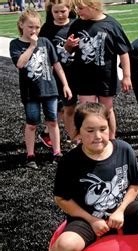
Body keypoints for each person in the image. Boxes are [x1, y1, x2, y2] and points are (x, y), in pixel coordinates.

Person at [48, 102, 138, 251]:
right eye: (90, 130)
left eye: (103, 129)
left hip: (121, 211)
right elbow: (61, 199)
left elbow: (134, 185)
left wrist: (120, 211)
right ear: (78, 132)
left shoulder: (124, 149)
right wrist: (92, 220)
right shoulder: (69, 161)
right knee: (63, 245)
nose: (97, 135)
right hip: (87, 218)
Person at [9, 8, 72, 169]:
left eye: (37, 27)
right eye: (30, 27)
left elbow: (56, 65)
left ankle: (57, 152)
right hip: (30, 92)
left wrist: (65, 84)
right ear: (21, 25)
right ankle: (30, 154)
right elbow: (20, 64)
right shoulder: (15, 44)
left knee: (53, 121)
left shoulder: (45, 42)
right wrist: (31, 46)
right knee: (32, 124)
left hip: (49, 89)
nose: (34, 30)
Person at [65, 0, 132, 140]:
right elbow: (69, 50)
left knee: (107, 110)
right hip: (84, 76)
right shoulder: (77, 24)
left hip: (106, 77)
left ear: (93, 6)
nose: (78, 11)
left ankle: (112, 139)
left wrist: (126, 76)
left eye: (81, 8)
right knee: (86, 110)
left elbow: (124, 52)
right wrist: (68, 46)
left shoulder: (111, 25)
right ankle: (86, 142)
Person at [39, 0, 78, 149]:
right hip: (58, 75)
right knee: (68, 107)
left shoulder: (76, 24)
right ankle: (73, 138)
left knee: (66, 106)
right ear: (51, 12)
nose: (60, 15)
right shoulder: (47, 29)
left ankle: (49, 132)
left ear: (69, 9)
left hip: (77, 72)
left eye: (63, 11)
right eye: (56, 12)